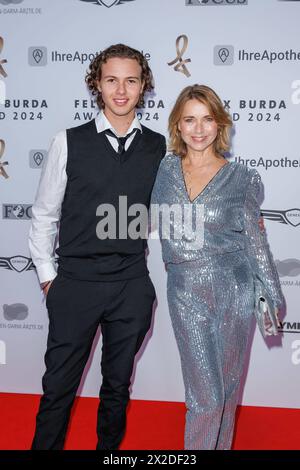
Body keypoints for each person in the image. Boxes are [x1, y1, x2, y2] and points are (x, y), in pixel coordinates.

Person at [29, 43, 166, 450]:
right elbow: (43, 215)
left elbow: (183, 204)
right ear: (97, 85)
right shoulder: (67, 141)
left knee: (117, 389)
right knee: (58, 390)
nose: (121, 90)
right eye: (111, 80)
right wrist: (49, 280)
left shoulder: (159, 147)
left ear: (143, 87)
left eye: (131, 80)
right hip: (76, 284)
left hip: (131, 285)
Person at [150, 84, 284, 450]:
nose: (198, 128)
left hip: (234, 290)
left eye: (207, 119)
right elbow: (127, 210)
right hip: (184, 291)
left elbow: (255, 243)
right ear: (177, 125)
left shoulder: (242, 178)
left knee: (225, 391)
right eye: (189, 119)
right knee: (204, 397)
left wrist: (269, 295)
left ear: (219, 124)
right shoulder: (161, 169)